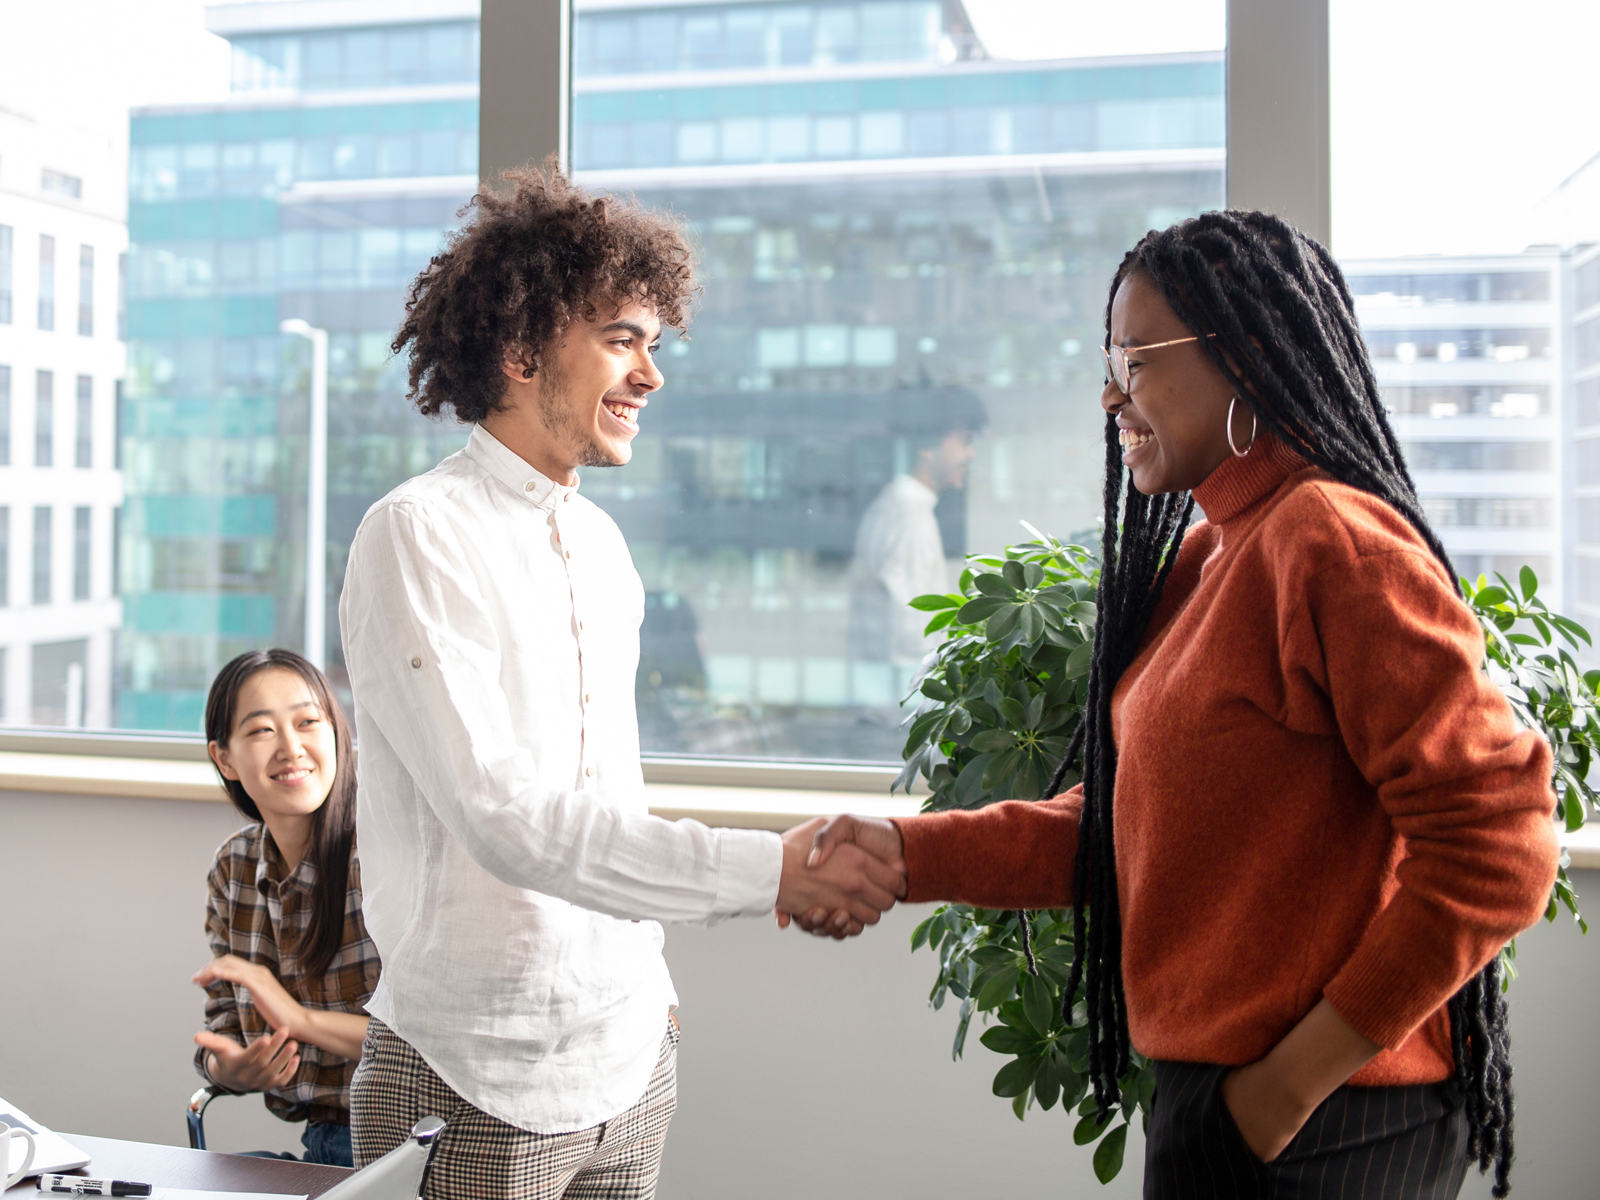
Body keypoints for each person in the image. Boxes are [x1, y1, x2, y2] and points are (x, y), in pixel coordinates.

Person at [798, 212, 1560, 1198]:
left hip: (1331, 1123)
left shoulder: (1331, 544)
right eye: (1105, 363)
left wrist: (1288, 1086)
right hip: (1226, 1102)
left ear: (1243, 357)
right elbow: (1123, 831)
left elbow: (1501, 844)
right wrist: (905, 854)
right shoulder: (1212, 553)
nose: (1111, 394)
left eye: (1137, 359)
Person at [337, 160, 905, 1200]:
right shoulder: (416, 534)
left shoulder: (601, 545)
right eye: (622, 341)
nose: (651, 375)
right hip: (477, 1076)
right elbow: (504, 817)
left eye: (655, 344)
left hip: (632, 1057)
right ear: (519, 351)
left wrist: (652, 984)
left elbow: (608, 792)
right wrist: (765, 872)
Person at [193, 649, 379, 1169]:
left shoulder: (386, 852)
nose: (291, 748)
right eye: (260, 732)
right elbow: (224, 1029)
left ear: (337, 735)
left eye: (307, 722)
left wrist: (296, 1018)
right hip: (318, 1148)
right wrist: (232, 1070)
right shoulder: (234, 866)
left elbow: (431, 1046)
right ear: (224, 758)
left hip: (405, 1144)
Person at [847, 420, 979, 673]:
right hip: (905, 695)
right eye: (964, 442)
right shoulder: (909, 515)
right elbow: (912, 629)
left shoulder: (900, 507)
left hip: (893, 691)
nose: (970, 454)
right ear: (927, 448)